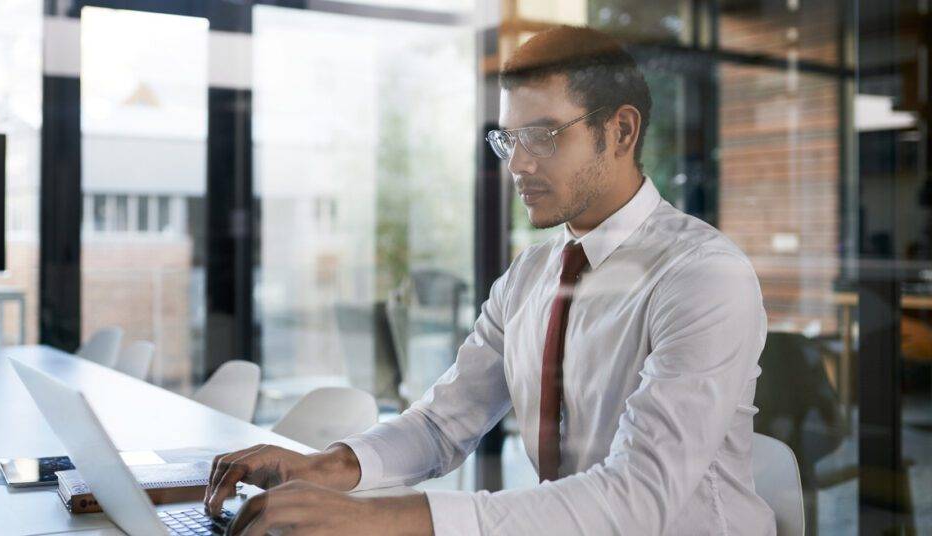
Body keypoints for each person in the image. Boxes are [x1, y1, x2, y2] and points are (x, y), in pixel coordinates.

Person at [204, 25, 776, 535]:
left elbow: (637, 497)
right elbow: (439, 425)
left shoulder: (702, 276)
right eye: (509, 138)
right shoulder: (530, 275)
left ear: (621, 132)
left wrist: (375, 518)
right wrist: (321, 468)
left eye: (544, 136)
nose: (519, 164)